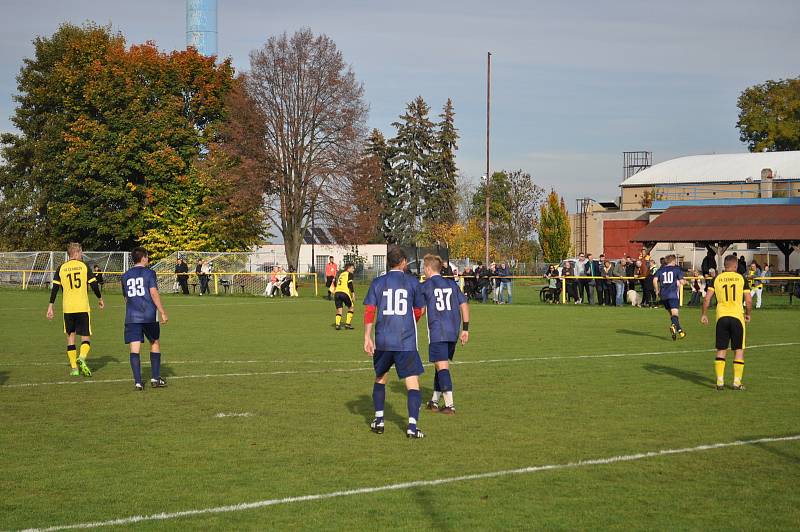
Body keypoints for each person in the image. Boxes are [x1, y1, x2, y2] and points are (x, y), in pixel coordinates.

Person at [363, 246, 426, 438]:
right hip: (405, 340)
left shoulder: (378, 282)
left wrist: (367, 336)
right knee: (412, 382)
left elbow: (370, 310)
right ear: (404, 262)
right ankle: (412, 427)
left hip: (382, 339)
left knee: (381, 377)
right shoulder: (412, 282)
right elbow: (419, 310)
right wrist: (410, 322)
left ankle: (379, 420)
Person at [419, 254, 469, 414]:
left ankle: (449, 405)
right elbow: (464, 304)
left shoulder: (426, 286)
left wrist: (410, 324)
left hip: (437, 331)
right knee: (440, 365)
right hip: (453, 331)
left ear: (427, 268)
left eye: (423, 268)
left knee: (442, 367)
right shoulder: (452, 284)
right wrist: (465, 329)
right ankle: (434, 401)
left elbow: (420, 309)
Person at [46, 242, 105, 377]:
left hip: (67, 309)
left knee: (70, 337)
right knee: (86, 337)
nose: (82, 254)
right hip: (82, 307)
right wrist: (100, 299)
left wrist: (50, 306)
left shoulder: (61, 268)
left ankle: (74, 368)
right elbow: (94, 285)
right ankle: (82, 357)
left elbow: (55, 289)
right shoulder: (83, 266)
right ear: (77, 253)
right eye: (81, 252)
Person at [701, 254, 752, 390]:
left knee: (721, 349)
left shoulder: (717, 278)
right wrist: (748, 314)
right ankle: (736, 382)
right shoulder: (741, 278)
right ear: (735, 266)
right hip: (737, 317)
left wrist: (704, 314)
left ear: (724, 265)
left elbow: (707, 299)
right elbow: (748, 300)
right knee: (739, 350)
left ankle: (719, 382)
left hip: (722, 317)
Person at [122, 247, 169, 391]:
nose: (148, 259)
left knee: (134, 349)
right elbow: (153, 293)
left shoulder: (125, 275)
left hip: (132, 317)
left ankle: (137, 382)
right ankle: (155, 378)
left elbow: (126, 298)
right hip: (148, 315)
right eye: (147, 256)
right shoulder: (150, 273)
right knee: (154, 342)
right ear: (143, 258)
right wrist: (162, 311)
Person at [653, 254, 686, 340]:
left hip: (663, 296)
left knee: (672, 315)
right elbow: (682, 282)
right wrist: (685, 282)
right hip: (673, 295)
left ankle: (680, 331)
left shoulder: (660, 270)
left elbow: (655, 280)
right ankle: (673, 326)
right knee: (675, 314)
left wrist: (657, 290)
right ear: (673, 261)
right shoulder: (676, 269)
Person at [334, 262, 356, 330]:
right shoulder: (349, 274)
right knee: (351, 307)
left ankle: (337, 325)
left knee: (339, 309)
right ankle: (347, 324)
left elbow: (335, 282)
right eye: (352, 268)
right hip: (344, 293)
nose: (353, 270)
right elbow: (350, 284)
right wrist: (353, 293)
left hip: (337, 293)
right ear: (348, 268)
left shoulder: (341, 274)